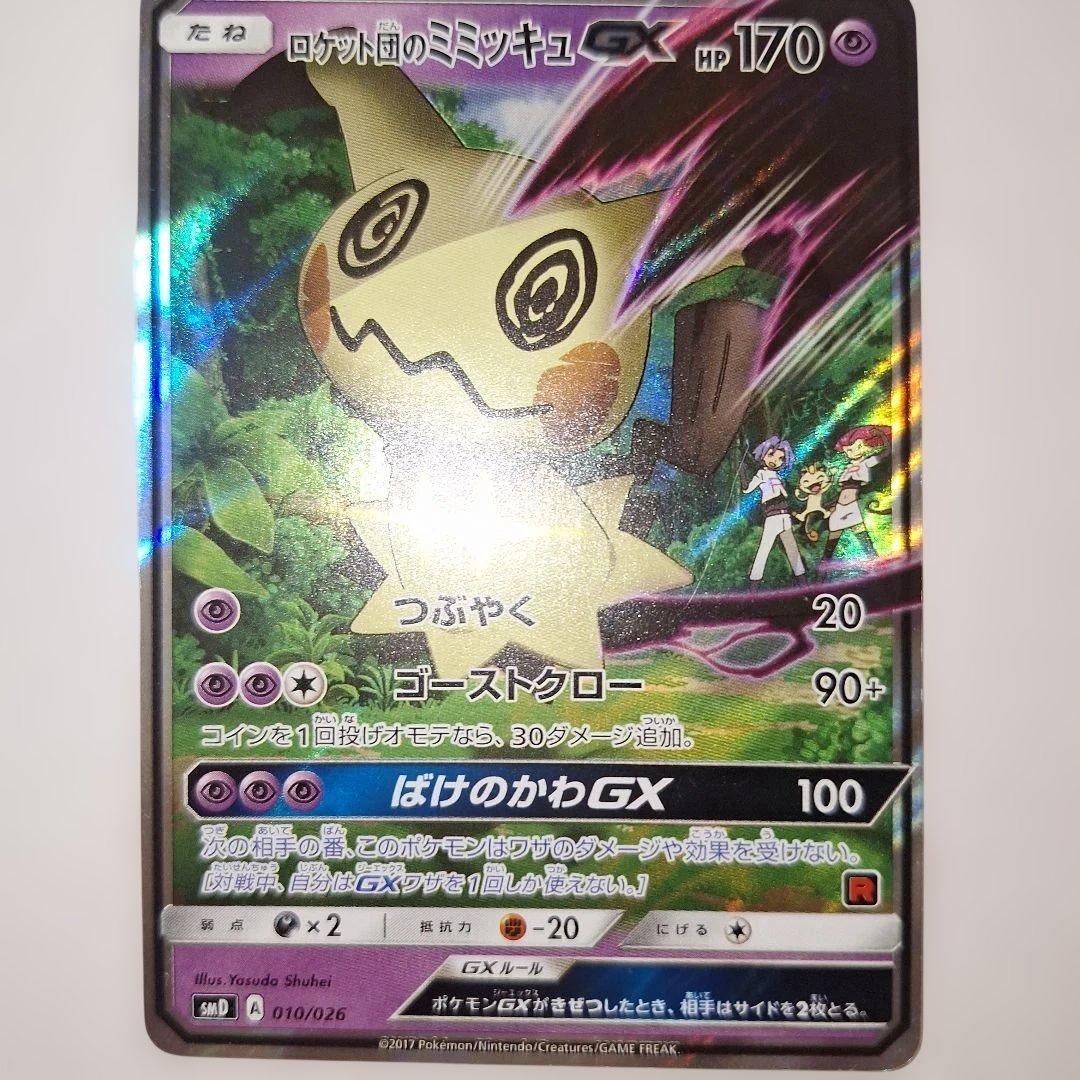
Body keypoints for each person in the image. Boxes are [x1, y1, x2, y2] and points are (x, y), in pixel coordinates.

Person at [821, 425, 890, 564]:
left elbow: (885, 453)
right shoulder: (847, 467)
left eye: (853, 449)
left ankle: (877, 562)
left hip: (851, 506)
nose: (849, 453)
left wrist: (881, 435)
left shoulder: (865, 463)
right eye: (847, 450)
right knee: (833, 539)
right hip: (840, 507)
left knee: (862, 537)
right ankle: (822, 569)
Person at [744, 436, 807, 588]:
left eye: (780, 458)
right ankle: (753, 586)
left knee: (792, 550)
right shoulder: (761, 474)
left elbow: (785, 494)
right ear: (763, 454)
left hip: (784, 515)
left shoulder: (777, 476)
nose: (775, 460)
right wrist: (742, 472)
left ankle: (803, 583)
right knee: (764, 550)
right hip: (772, 515)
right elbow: (747, 489)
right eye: (771, 455)